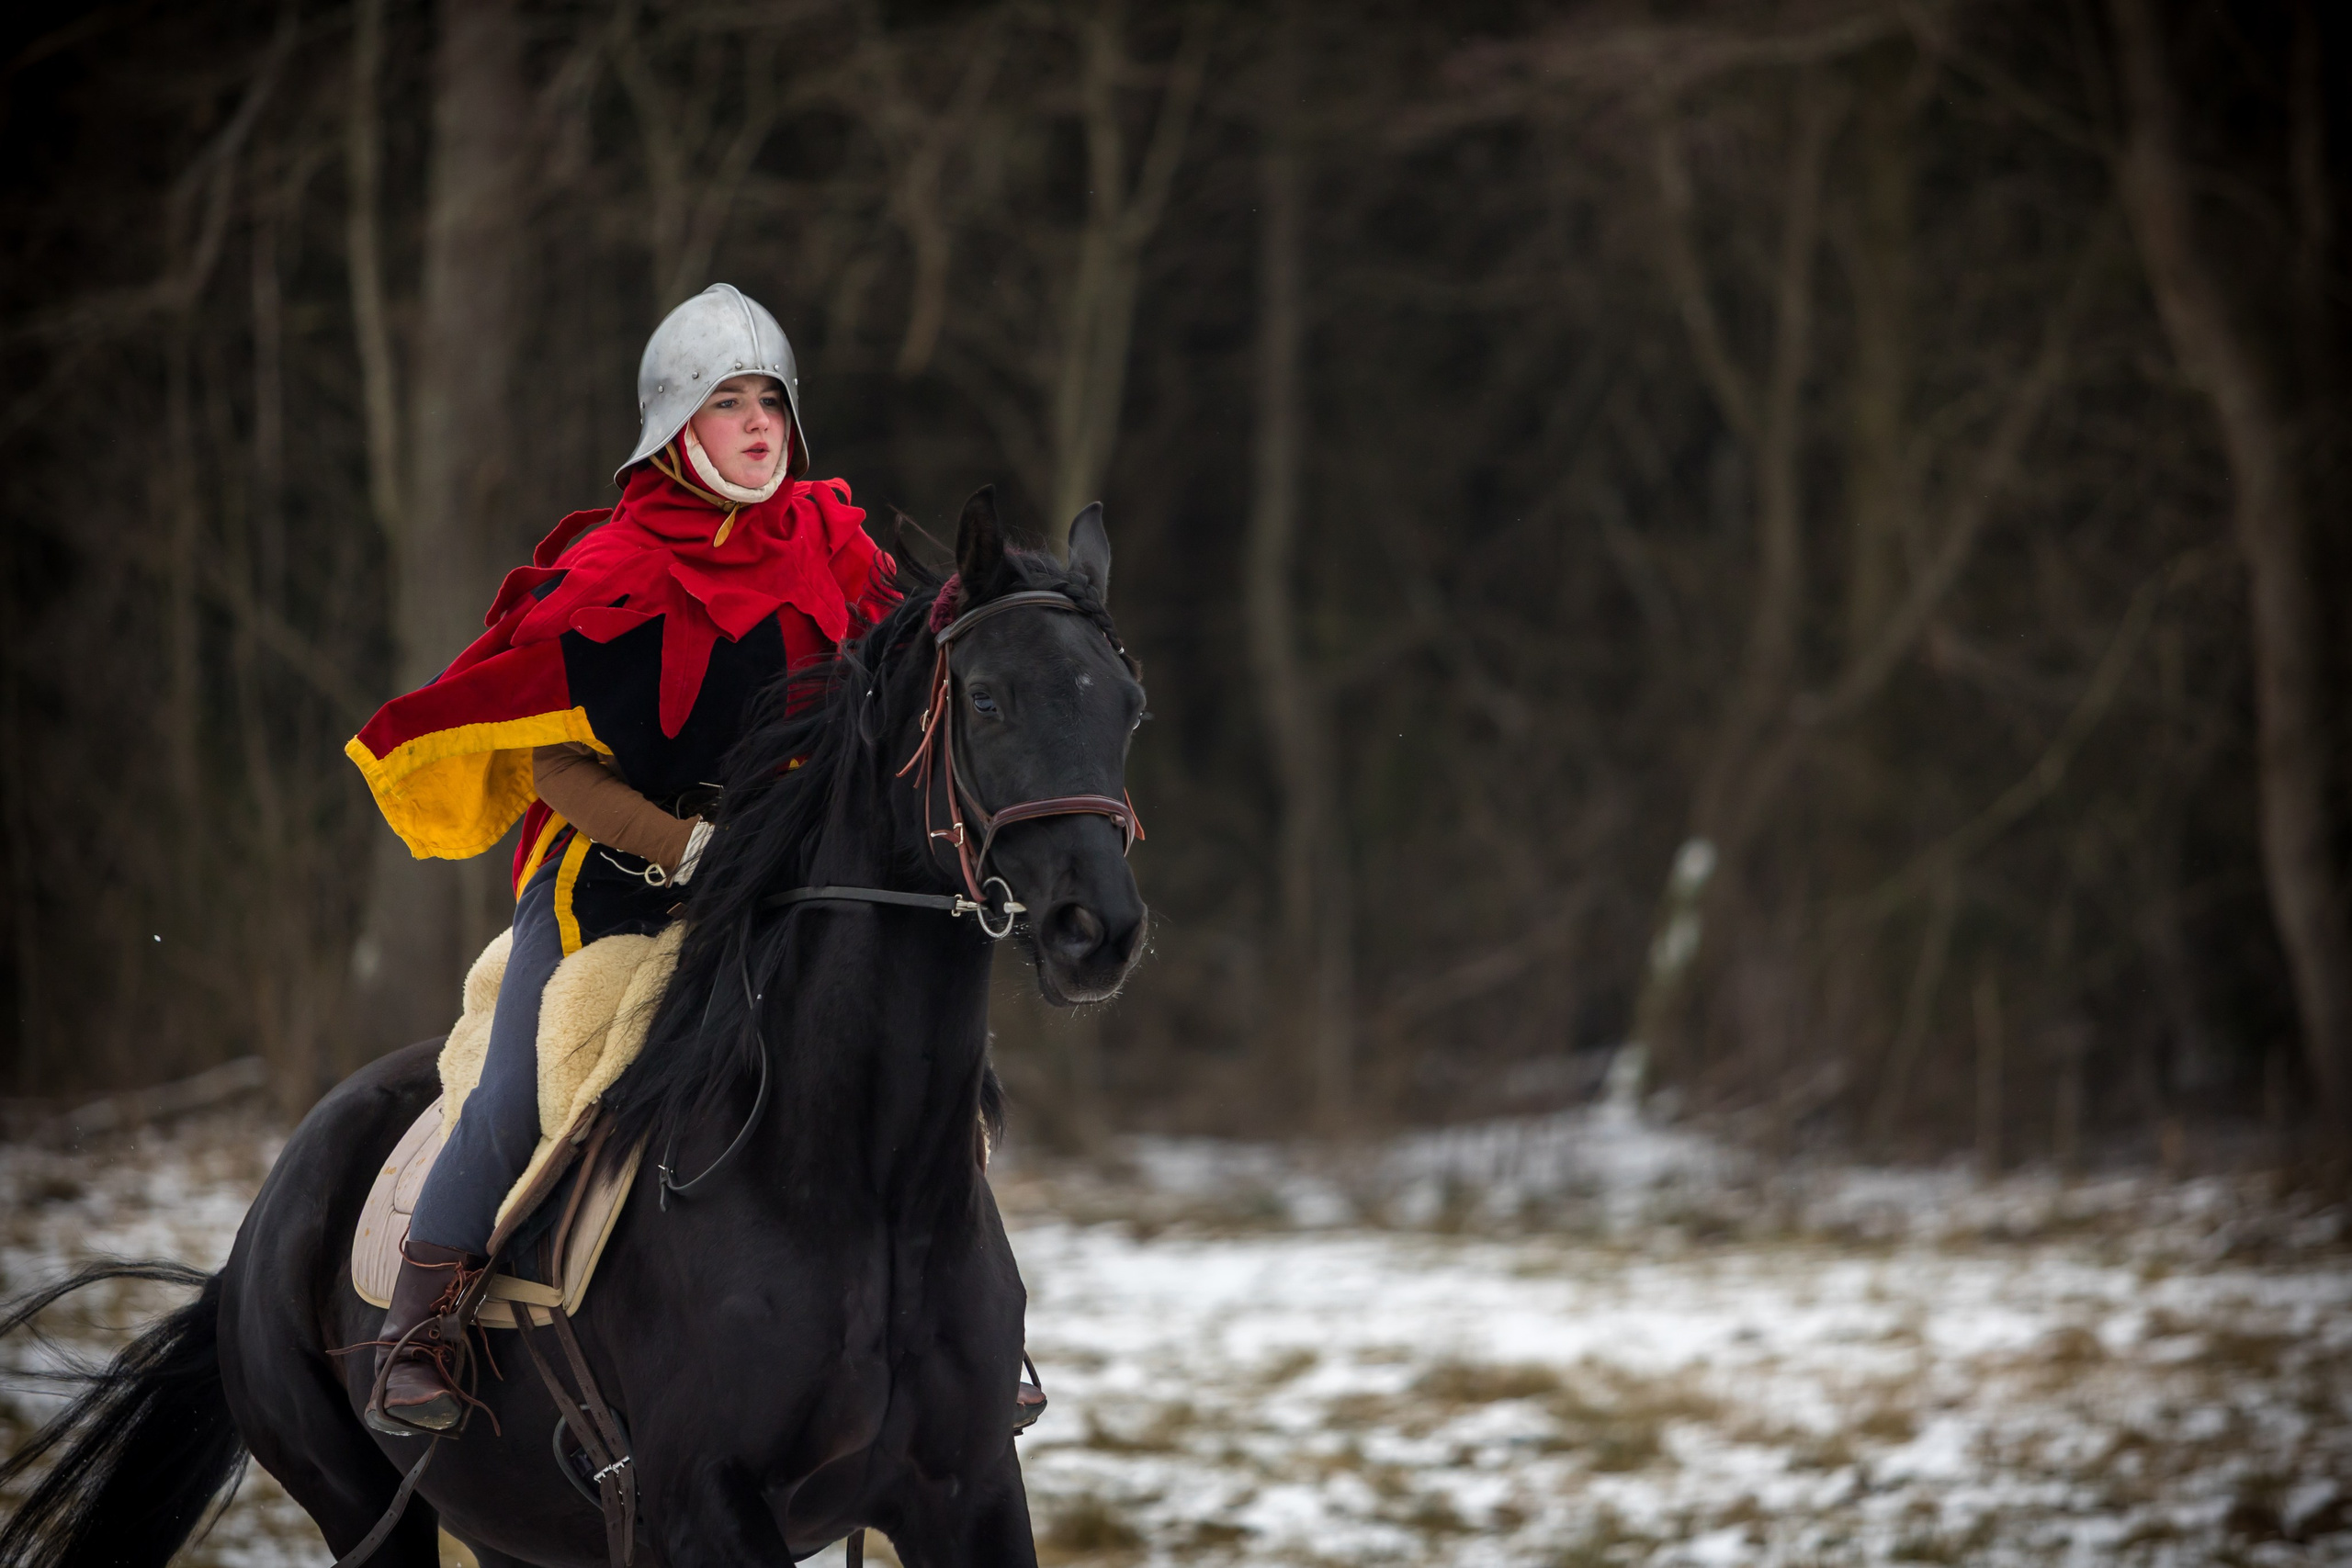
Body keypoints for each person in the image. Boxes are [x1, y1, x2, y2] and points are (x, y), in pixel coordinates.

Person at [345, 284, 895, 1436]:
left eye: (772, 405)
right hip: (611, 880)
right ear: (676, 429)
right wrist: (688, 842)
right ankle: (416, 1329)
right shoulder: (612, 568)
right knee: (528, 1083)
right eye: (728, 402)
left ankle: (957, 1328)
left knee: (898, 1045)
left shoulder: (835, 548)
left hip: (783, 878)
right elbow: (556, 774)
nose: (758, 427)